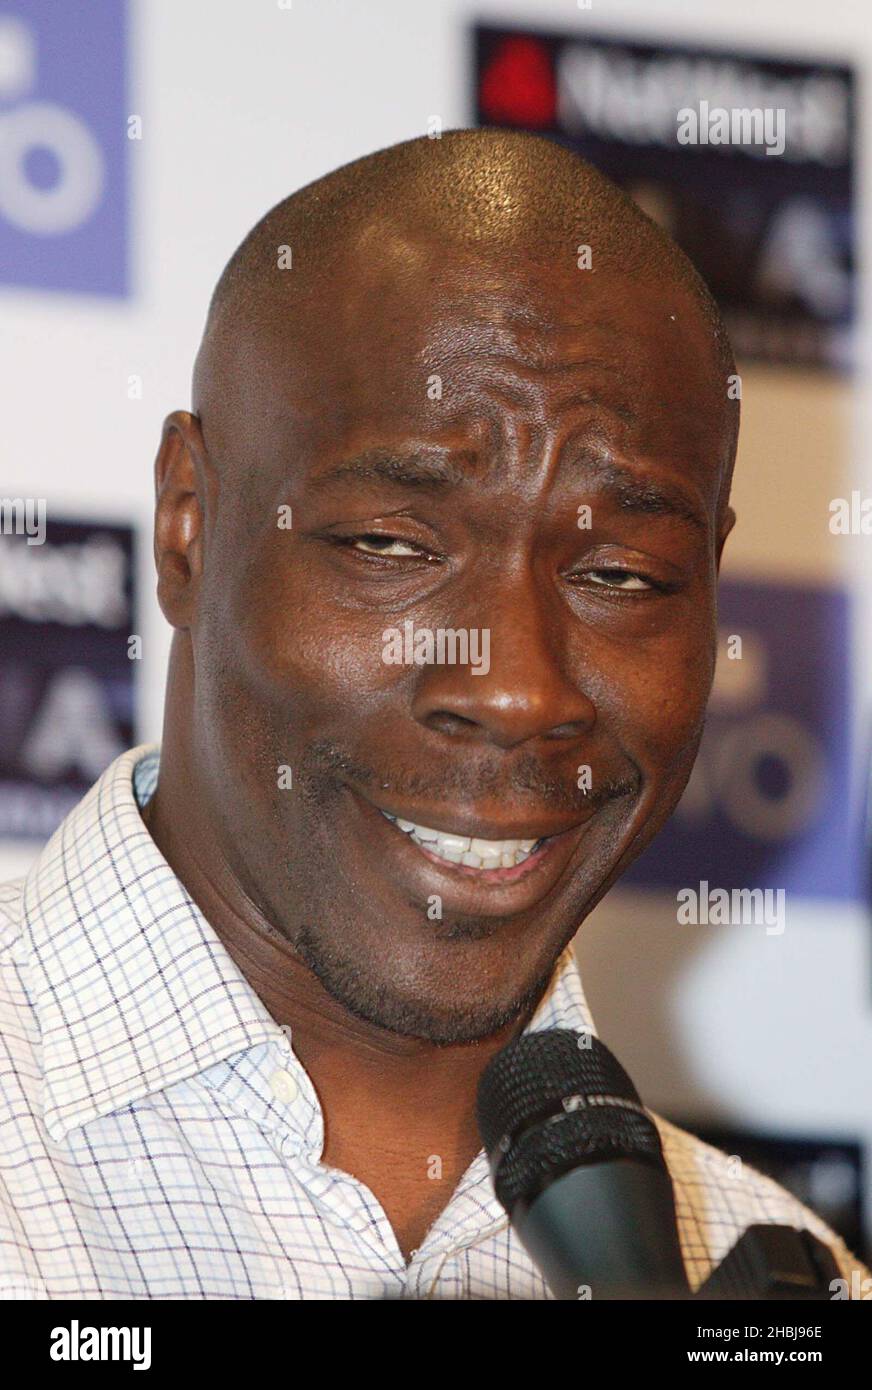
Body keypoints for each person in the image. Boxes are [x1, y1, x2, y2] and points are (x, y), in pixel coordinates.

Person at [1, 129, 867, 1300]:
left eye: (620, 575)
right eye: (389, 545)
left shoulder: (756, 1277)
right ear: (187, 527)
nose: (516, 688)